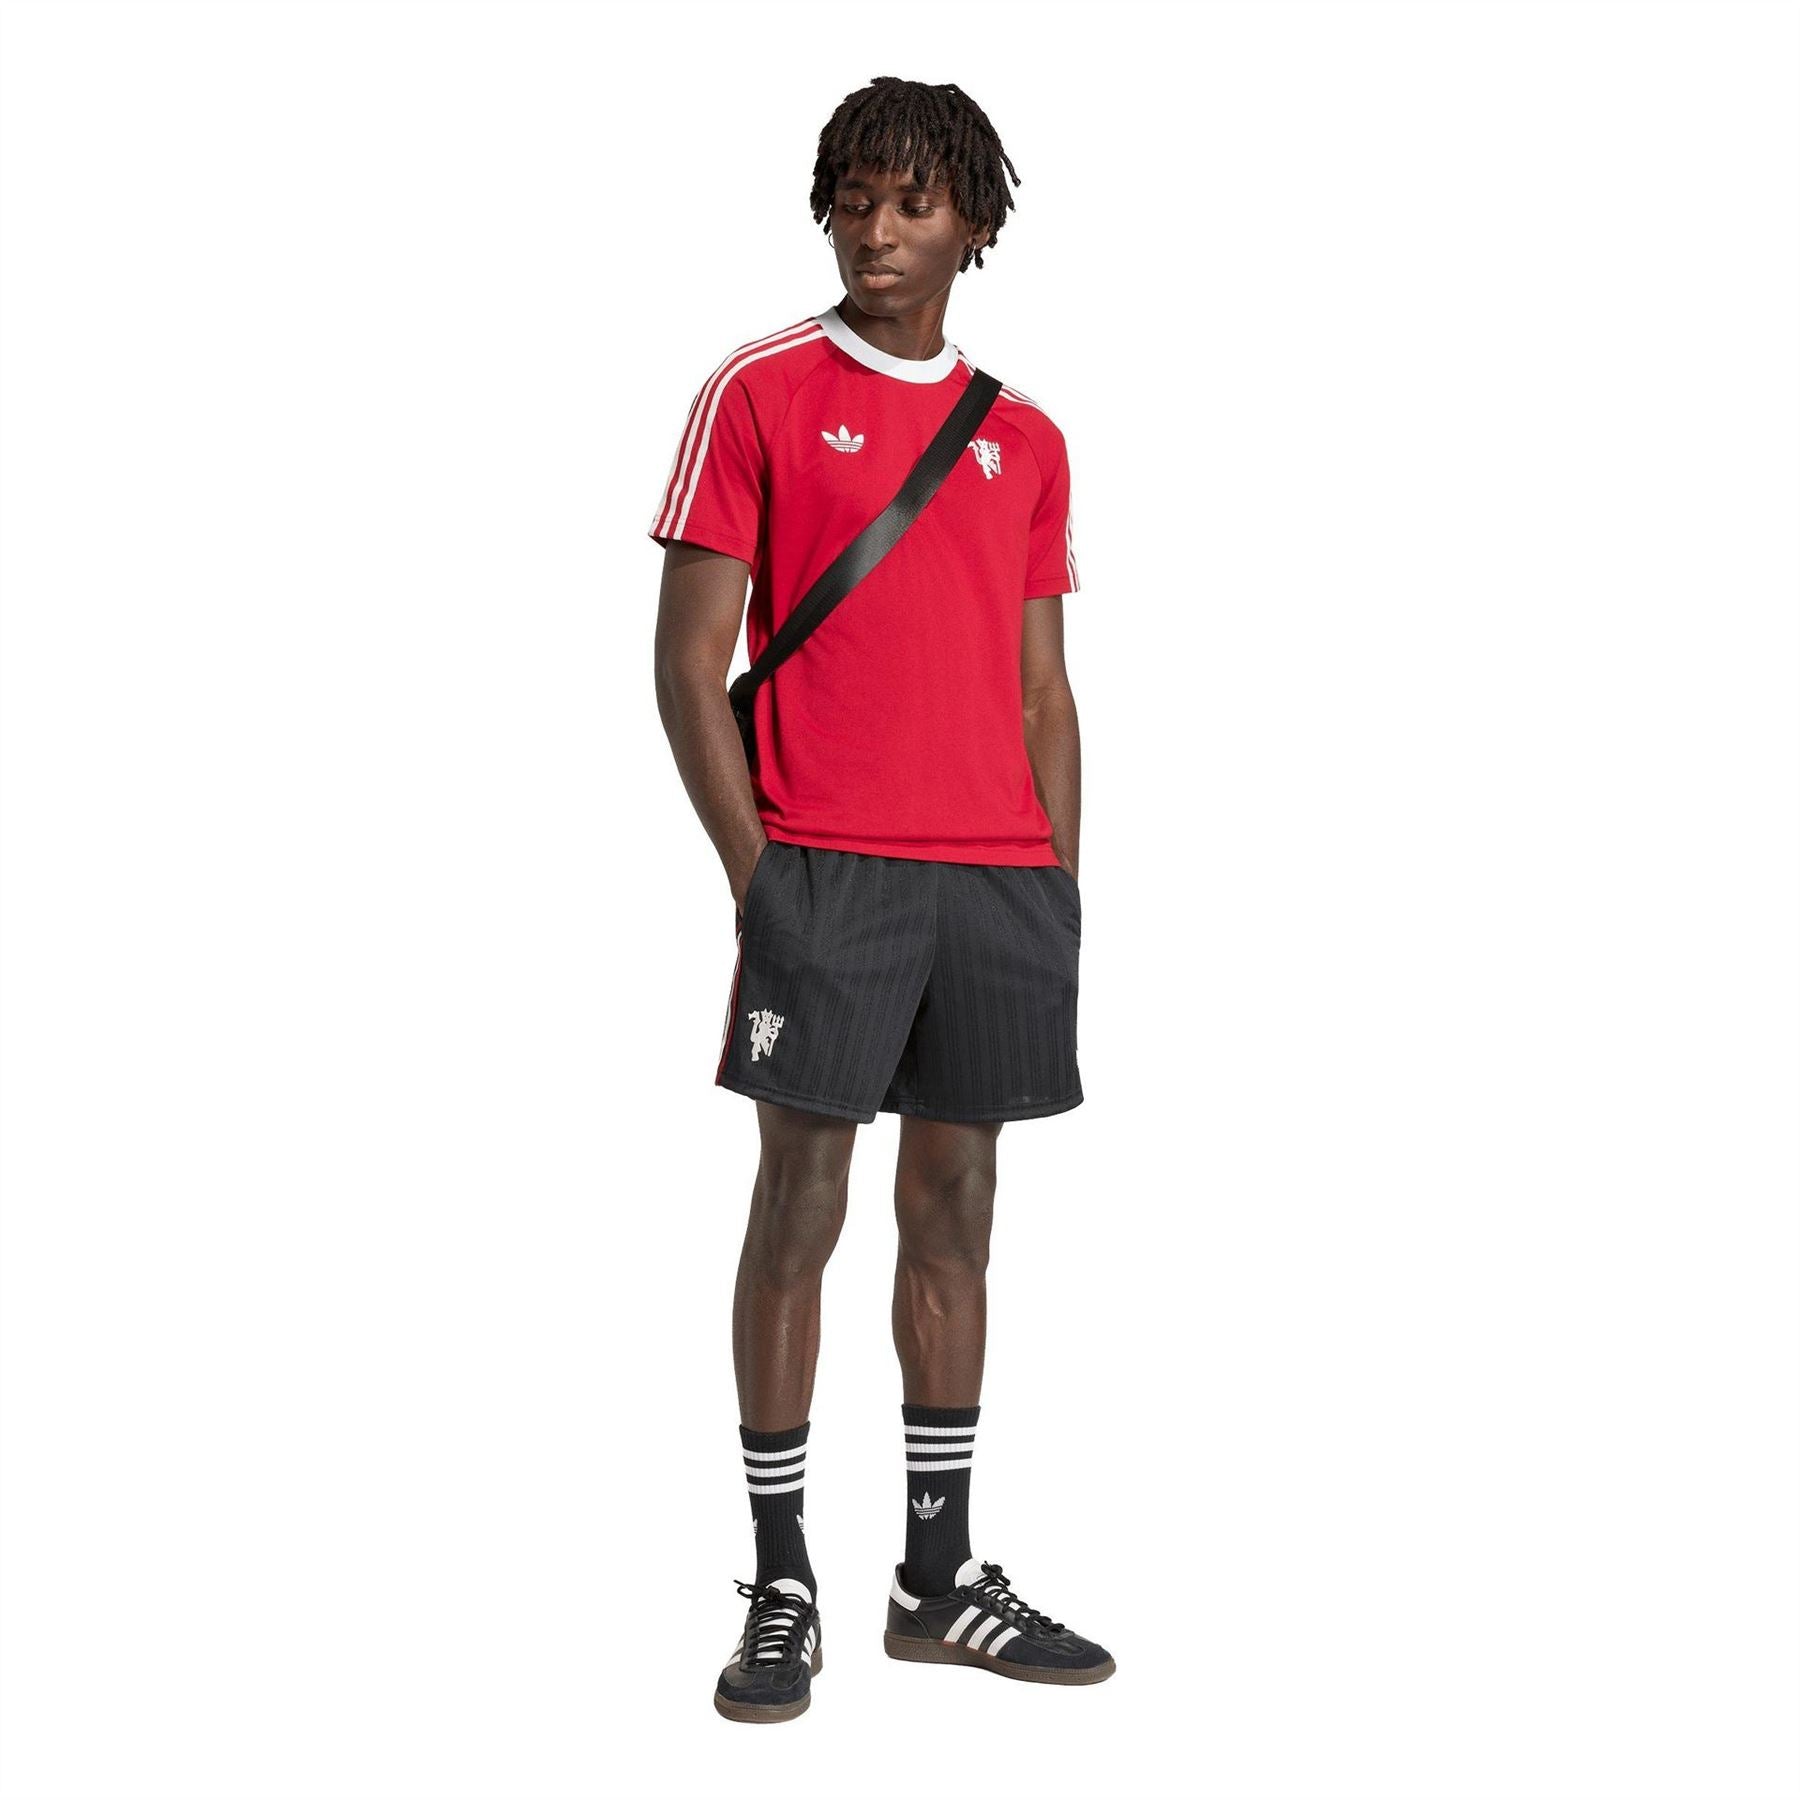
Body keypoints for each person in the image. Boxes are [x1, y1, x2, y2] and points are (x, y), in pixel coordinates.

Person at [650, 75, 1113, 1724]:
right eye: (855, 197)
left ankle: (935, 1578)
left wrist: (1057, 886)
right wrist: (760, 876)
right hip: (826, 867)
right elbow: (687, 667)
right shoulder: (760, 392)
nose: (878, 230)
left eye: (914, 202)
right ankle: (783, 1579)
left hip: (995, 878)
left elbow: (1045, 689)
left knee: (959, 1211)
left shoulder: (1027, 437)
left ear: (975, 223)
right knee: (801, 1203)